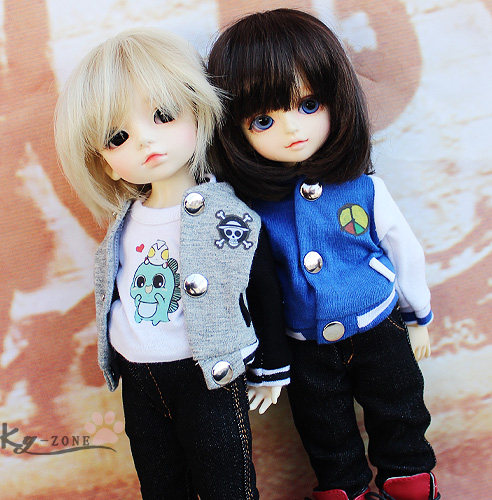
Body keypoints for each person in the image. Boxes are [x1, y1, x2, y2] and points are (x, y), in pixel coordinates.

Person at [208, 9, 439, 500]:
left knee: (400, 411)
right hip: (303, 343)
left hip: (378, 324)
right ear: (235, 129)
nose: (292, 128)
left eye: (309, 105)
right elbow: (249, 286)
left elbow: (404, 248)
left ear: (336, 98)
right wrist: (266, 363)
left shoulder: (364, 188)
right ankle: (343, 490)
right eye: (264, 120)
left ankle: (409, 480)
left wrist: (417, 313)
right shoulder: (251, 210)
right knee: (324, 431)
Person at [55, 27, 290, 500]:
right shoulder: (123, 222)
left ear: (198, 114)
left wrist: (272, 369)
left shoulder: (229, 216)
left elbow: (264, 288)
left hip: (206, 373)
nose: (145, 140)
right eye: (118, 137)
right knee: (159, 480)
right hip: (139, 377)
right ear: (106, 164)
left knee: (226, 480)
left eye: (163, 116)